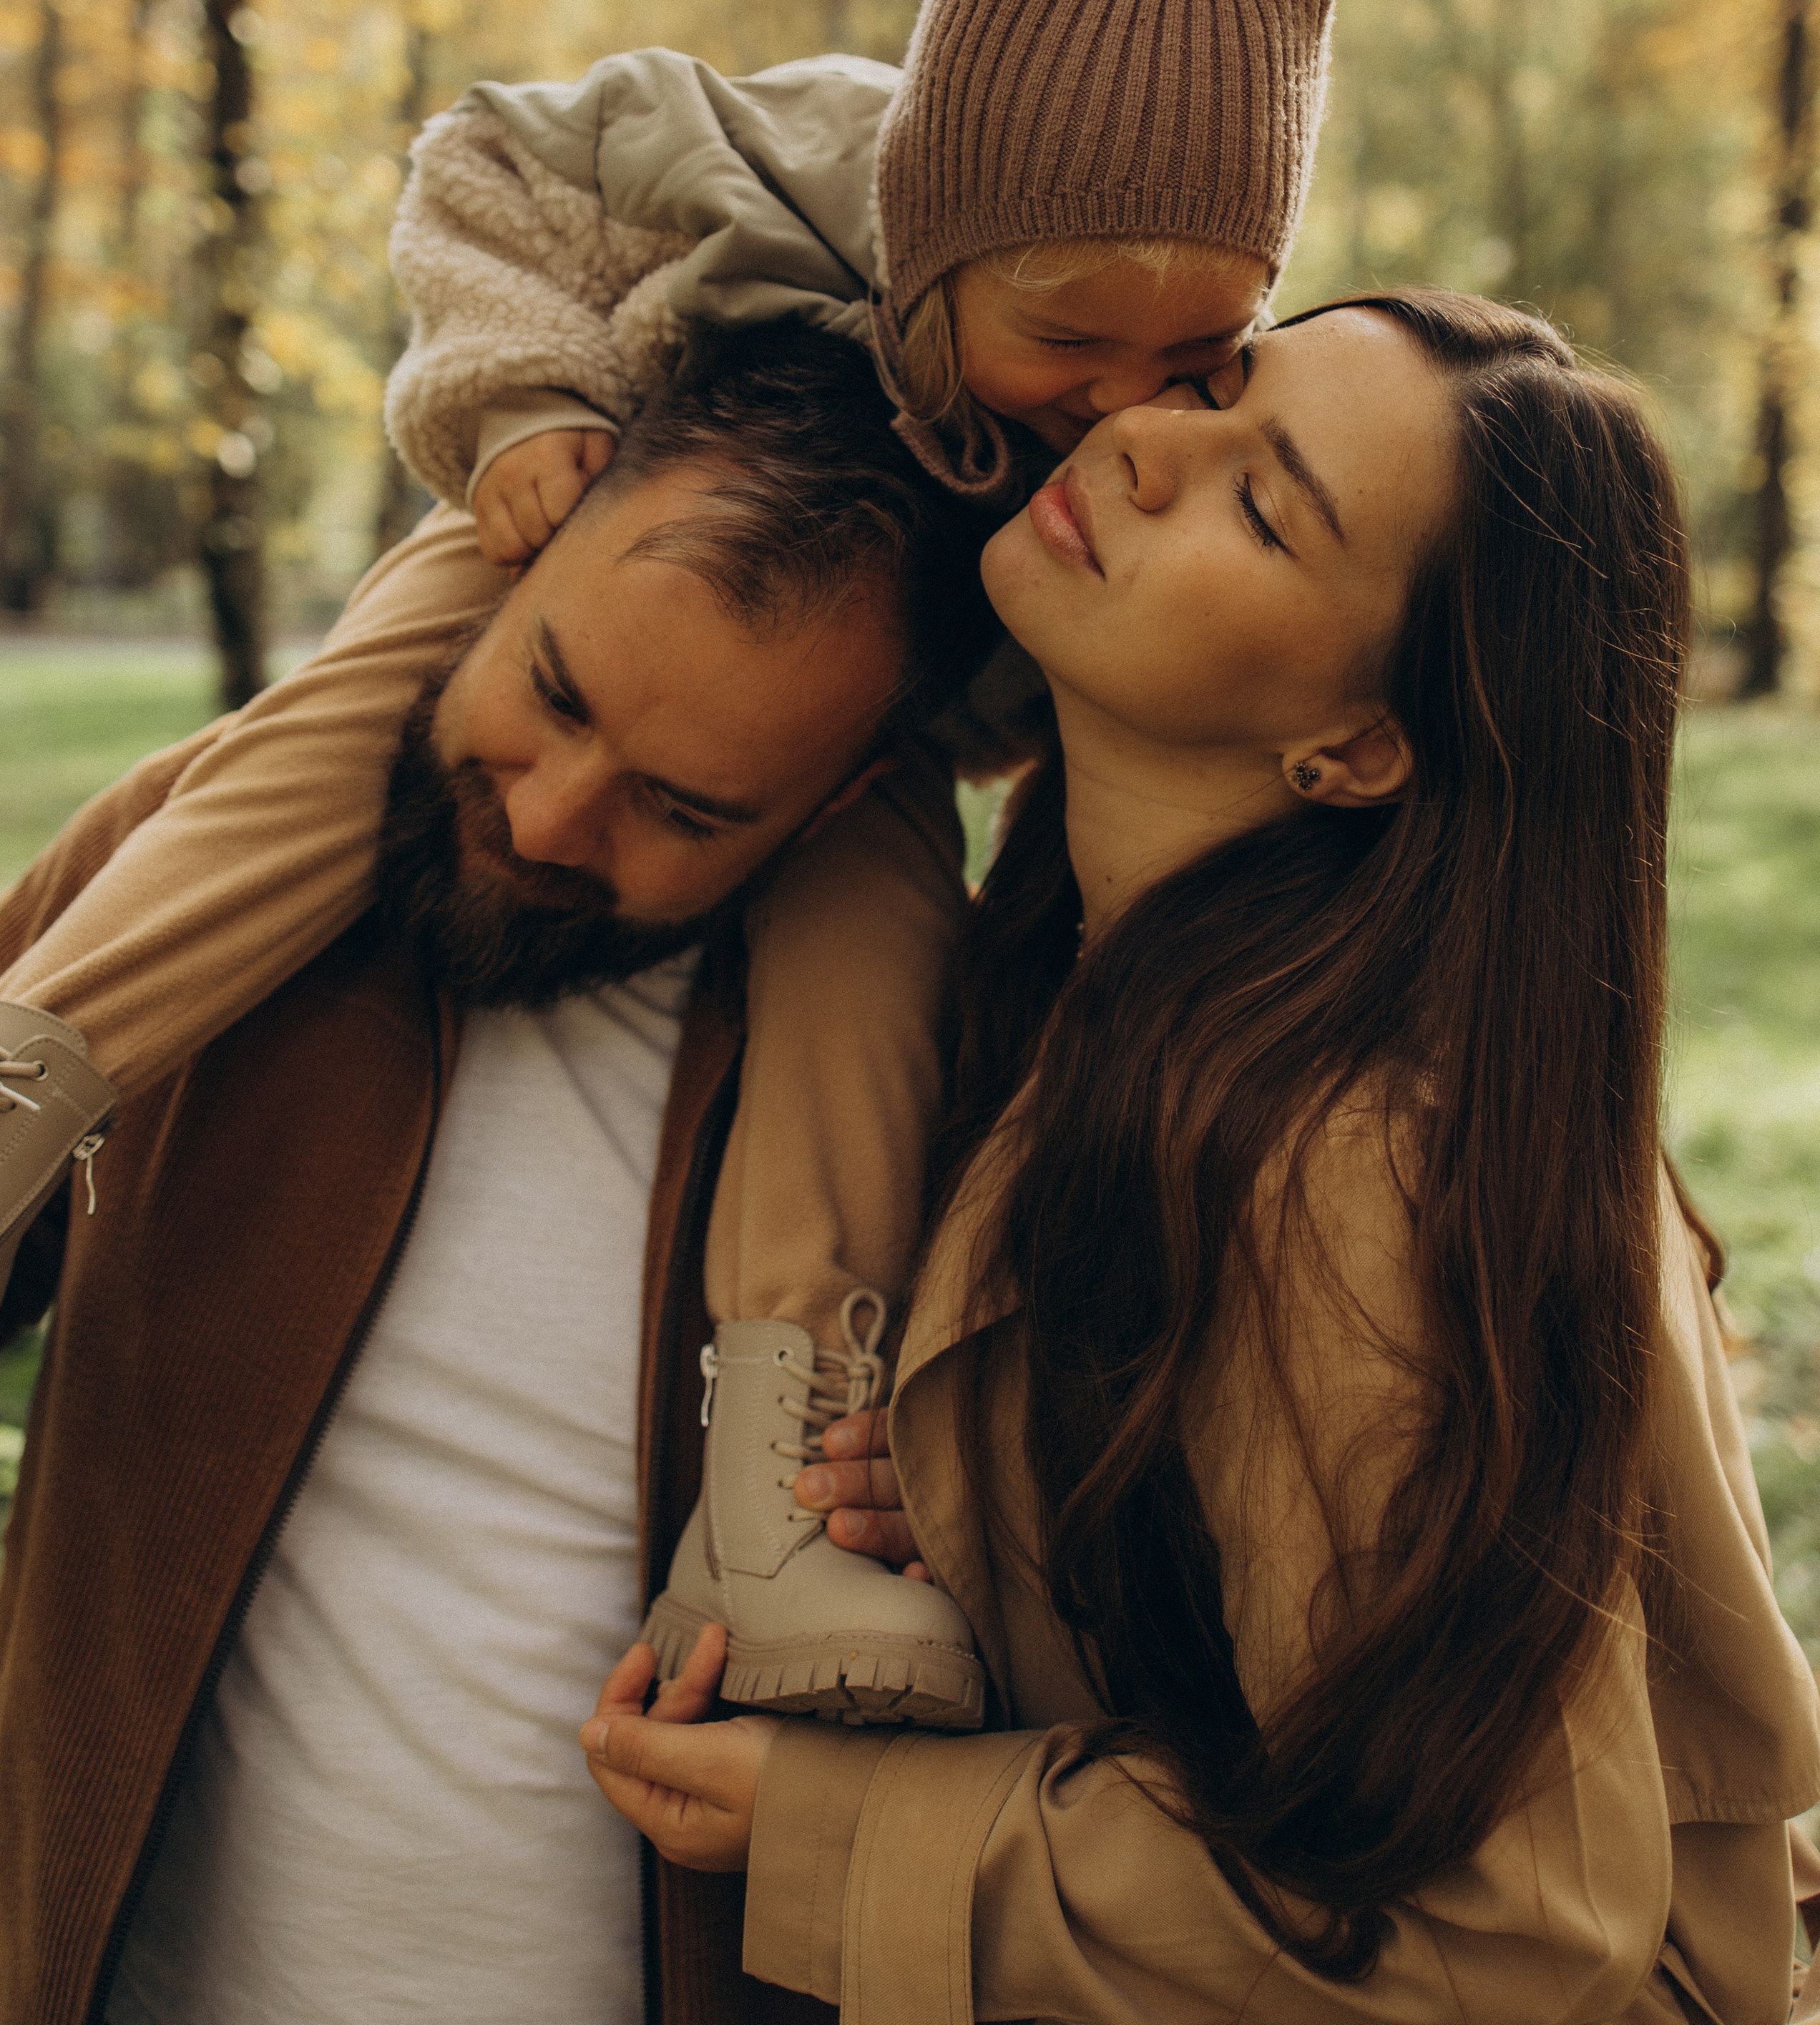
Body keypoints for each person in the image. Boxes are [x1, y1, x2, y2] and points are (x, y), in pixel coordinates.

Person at [0, 0, 1350, 1724]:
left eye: (1193, 360)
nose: (1123, 404)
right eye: (1072, 341)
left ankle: (780, 1482)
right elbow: (482, 170)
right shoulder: (774, 161)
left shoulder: (1120, 454)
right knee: (318, 755)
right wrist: (518, 399)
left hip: (874, 723)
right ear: (948, 222)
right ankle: (29, 1073)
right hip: (578, 508)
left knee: (870, 964)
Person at [582, 293, 1820, 2019]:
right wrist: (989, 1493)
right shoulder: (1091, 970)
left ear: (1360, 745)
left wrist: (838, 1823)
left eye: (1260, 505)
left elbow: (1506, 1932)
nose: (1143, 444)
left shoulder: (1347, 1164)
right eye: (1211, 391)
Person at [0, 328, 995, 2025]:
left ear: (836, 810)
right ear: (518, 555)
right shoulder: (189, 874)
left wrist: (976, 1516)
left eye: (678, 804)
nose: (546, 821)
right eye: (553, 694)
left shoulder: (952, 1087)